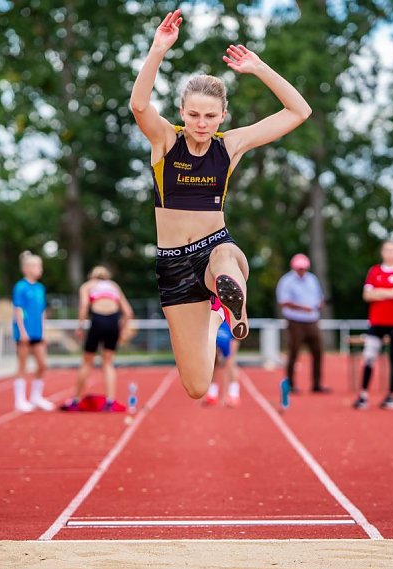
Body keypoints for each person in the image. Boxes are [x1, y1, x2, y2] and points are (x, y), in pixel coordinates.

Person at [131, 9, 311, 399]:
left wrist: (261, 69)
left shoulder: (229, 146)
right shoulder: (166, 141)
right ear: (181, 113)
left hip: (214, 245)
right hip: (173, 264)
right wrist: (158, 49)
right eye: (193, 114)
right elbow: (140, 107)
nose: (201, 122)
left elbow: (299, 111)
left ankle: (232, 303)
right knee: (197, 386)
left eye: (210, 116)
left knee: (226, 260)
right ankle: (218, 315)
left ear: (222, 115)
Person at [62, 266, 134, 411]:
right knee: (108, 363)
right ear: (107, 276)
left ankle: (76, 400)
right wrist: (122, 330)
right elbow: (128, 312)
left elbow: (83, 306)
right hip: (114, 321)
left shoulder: (88, 286)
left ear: (92, 276)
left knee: (87, 361)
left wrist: (80, 327)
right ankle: (110, 401)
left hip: (98, 320)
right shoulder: (114, 286)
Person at [354, 240, 393, 410]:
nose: (390, 253)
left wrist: (379, 292)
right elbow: (367, 295)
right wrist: (390, 292)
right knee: (369, 356)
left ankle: (391, 396)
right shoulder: (374, 271)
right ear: (382, 252)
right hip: (376, 322)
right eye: (387, 249)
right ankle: (363, 395)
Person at [276, 254, 328, 394]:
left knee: (318, 352)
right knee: (293, 353)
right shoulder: (286, 281)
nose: (302, 271)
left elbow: (318, 297)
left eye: (304, 268)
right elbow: (283, 301)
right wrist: (302, 307)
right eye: (299, 268)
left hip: (312, 320)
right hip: (295, 321)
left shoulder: (312, 279)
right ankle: (290, 384)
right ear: (294, 267)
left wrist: (319, 304)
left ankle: (317, 384)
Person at [12, 251, 54, 412]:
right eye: (37, 266)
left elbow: (42, 311)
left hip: (37, 332)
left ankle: (36, 397)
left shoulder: (40, 288)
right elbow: (18, 310)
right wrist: (22, 331)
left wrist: (43, 331)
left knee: (43, 364)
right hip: (24, 332)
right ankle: (20, 399)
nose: (40, 269)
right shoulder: (20, 287)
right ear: (27, 268)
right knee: (22, 365)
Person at [204, 318, 241, 407]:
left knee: (230, 362)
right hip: (217, 326)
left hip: (230, 327)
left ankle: (233, 393)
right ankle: (212, 392)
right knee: (214, 362)